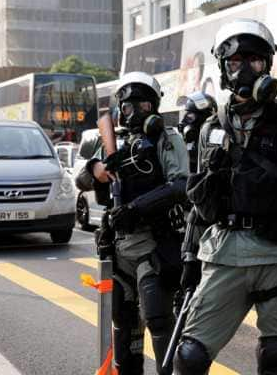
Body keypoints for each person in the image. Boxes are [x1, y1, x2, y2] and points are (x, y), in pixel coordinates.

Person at [172, 18, 277, 375]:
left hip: (274, 256)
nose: (245, 70)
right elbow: (199, 202)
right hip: (224, 254)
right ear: (223, 69)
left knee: (276, 355)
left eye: (254, 60)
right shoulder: (211, 127)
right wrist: (189, 260)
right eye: (235, 62)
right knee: (190, 355)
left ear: (267, 66)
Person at [75, 71, 190, 375]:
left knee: (159, 320)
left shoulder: (168, 139)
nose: (134, 112)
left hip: (153, 243)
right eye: (127, 107)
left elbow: (180, 186)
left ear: (154, 107)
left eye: (142, 105)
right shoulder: (115, 144)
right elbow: (81, 181)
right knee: (124, 329)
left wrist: (137, 208)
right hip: (119, 247)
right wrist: (96, 168)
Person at [177, 91, 217, 173]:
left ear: (205, 116)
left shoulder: (214, 142)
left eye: (190, 117)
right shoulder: (188, 146)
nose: (183, 121)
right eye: (186, 115)